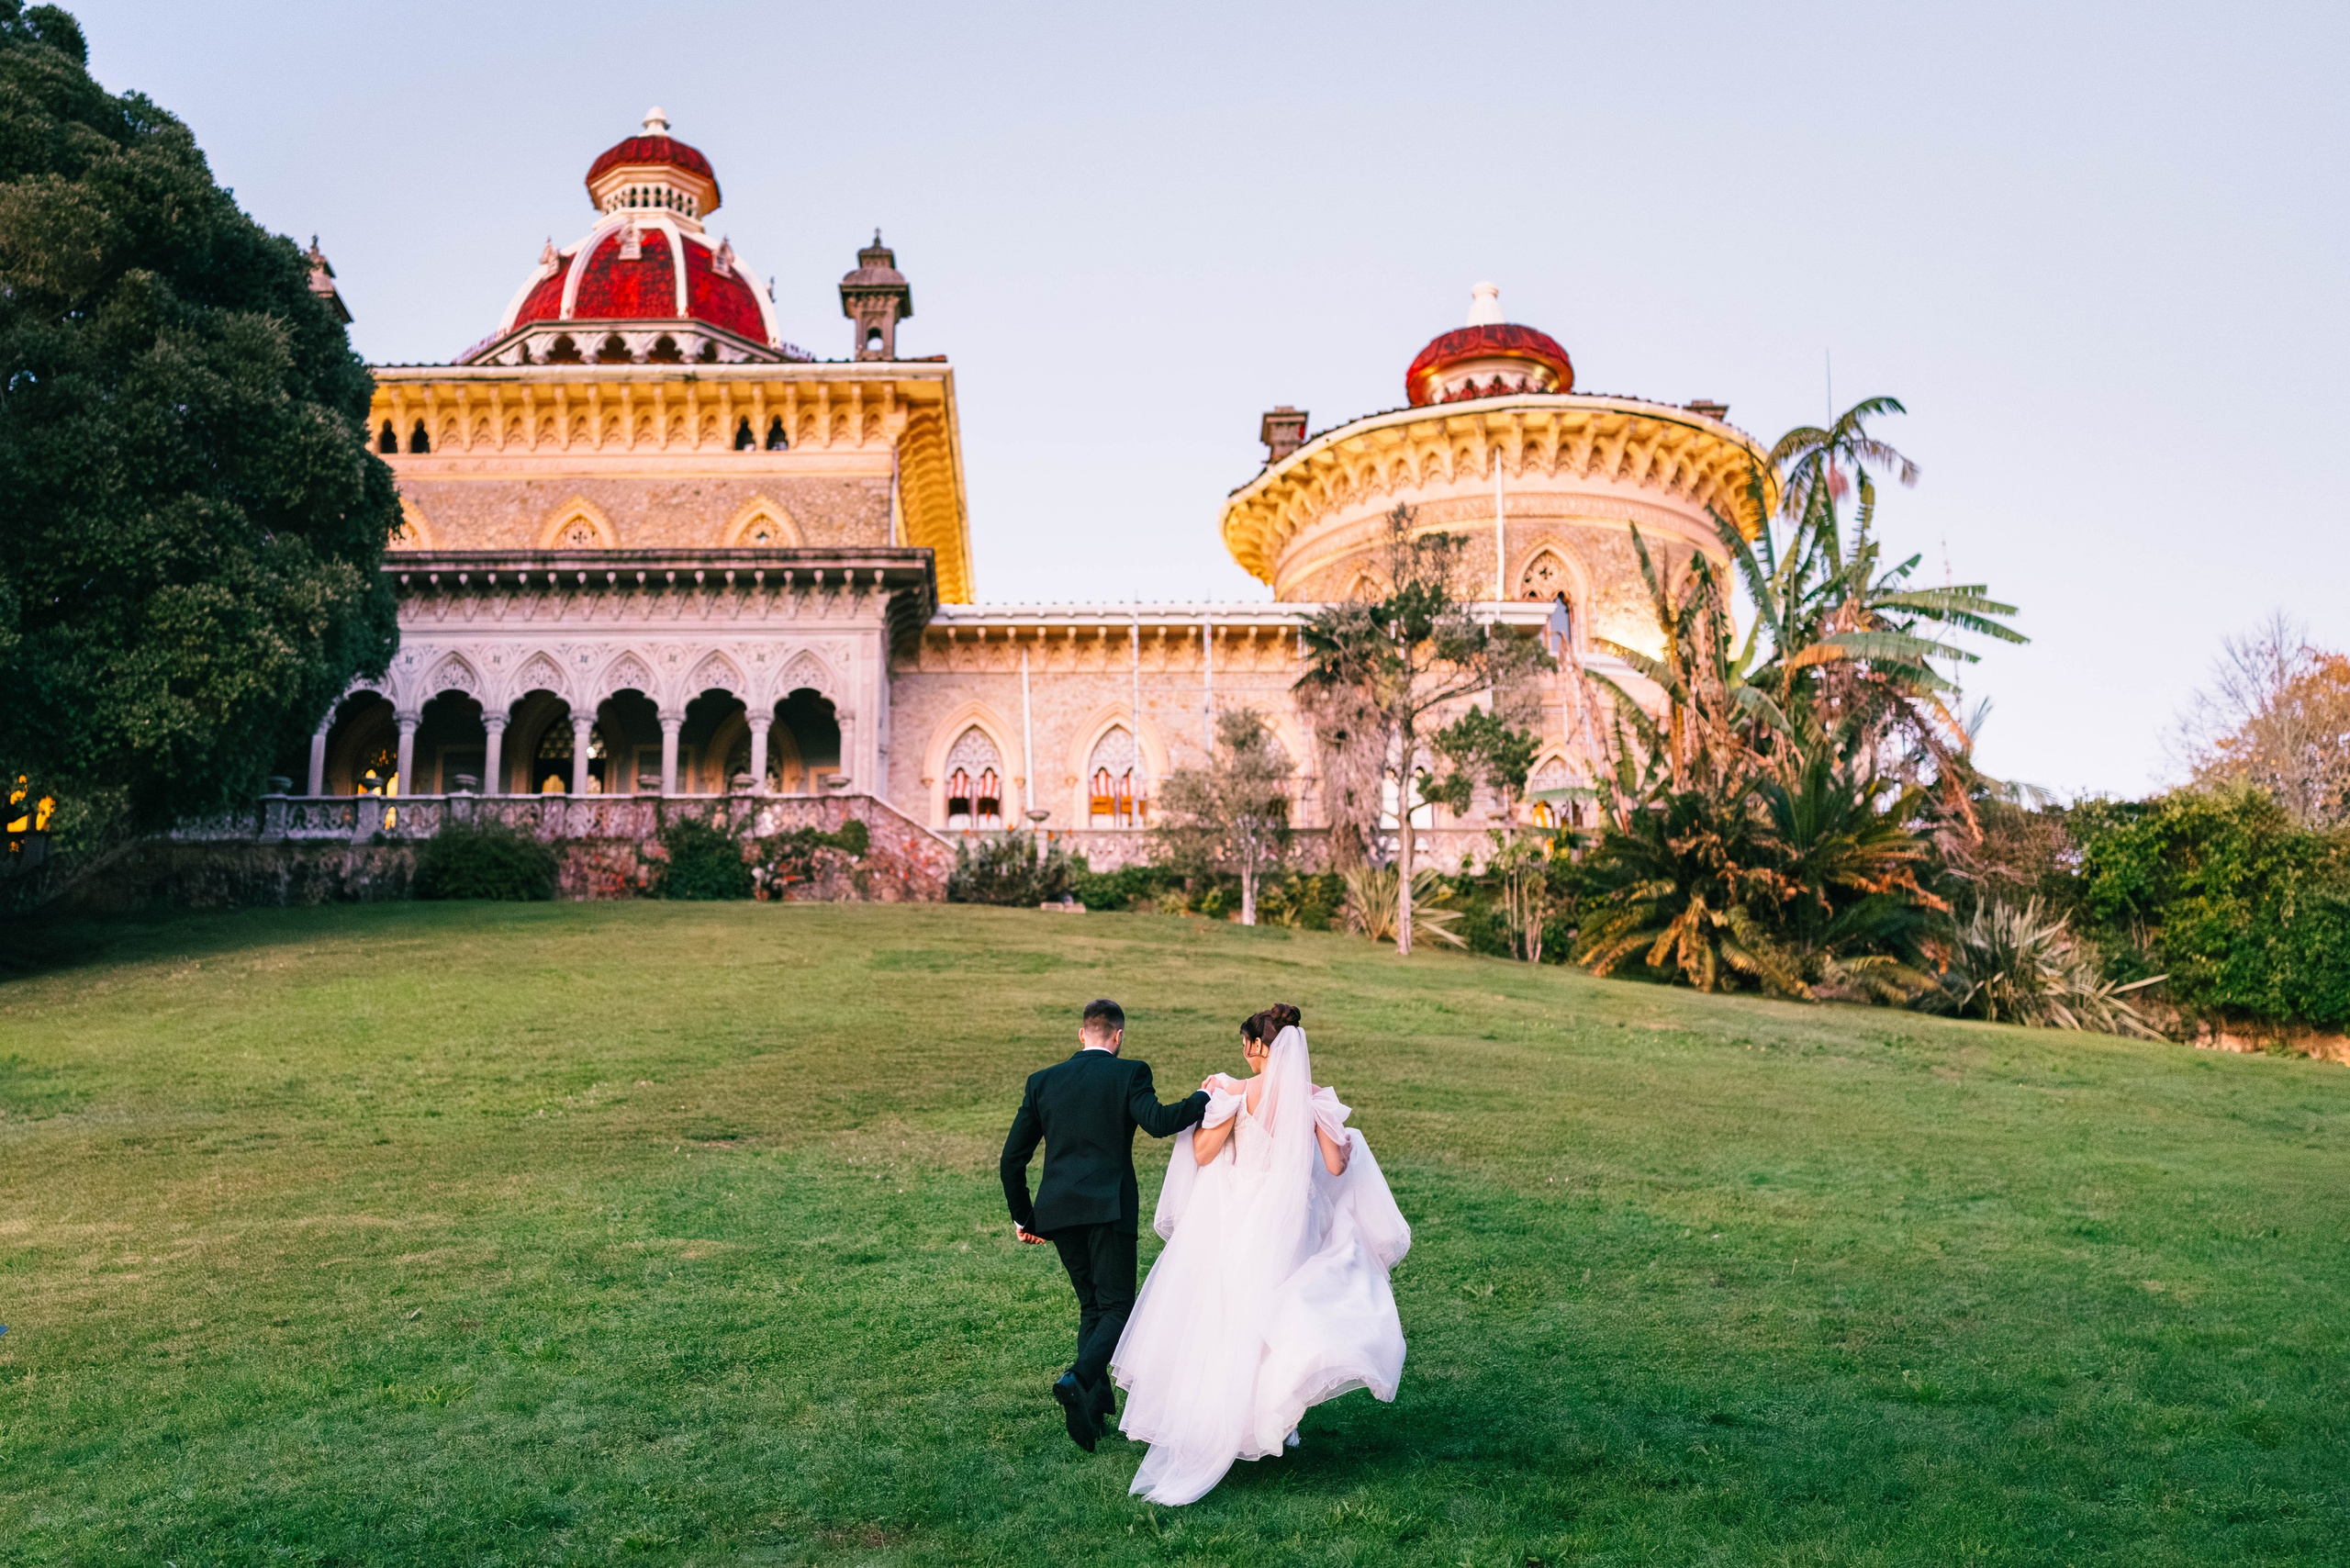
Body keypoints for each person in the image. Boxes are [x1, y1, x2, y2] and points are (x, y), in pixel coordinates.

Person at [1109, 1003, 1411, 1506]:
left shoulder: (1233, 1093)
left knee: (1220, 1317)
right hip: (1290, 1223)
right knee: (1274, 1320)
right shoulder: (1312, 1100)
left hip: (1234, 1216)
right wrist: (1345, 1148)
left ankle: (1214, 1422)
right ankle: (1268, 1420)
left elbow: (1203, 1155)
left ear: (1258, 1047)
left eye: (1245, 1044)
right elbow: (1336, 1167)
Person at [1000, 998, 1209, 1451]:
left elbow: (1011, 1160)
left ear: (1082, 1034)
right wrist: (1203, 1099)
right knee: (1117, 1308)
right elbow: (1158, 1122)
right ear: (1118, 1037)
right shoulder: (1129, 1072)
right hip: (1108, 1208)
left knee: (1092, 1307)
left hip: (1058, 1213)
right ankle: (1076, 1379)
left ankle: (1091, 1413)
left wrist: (1027, 1218)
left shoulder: (1043, 1082)